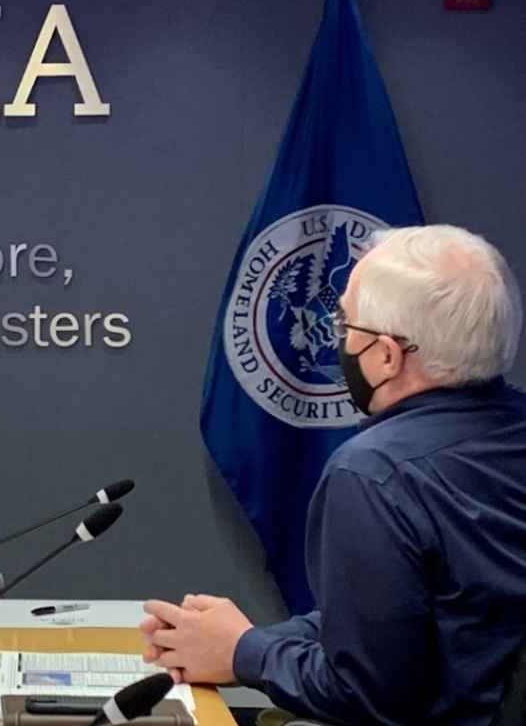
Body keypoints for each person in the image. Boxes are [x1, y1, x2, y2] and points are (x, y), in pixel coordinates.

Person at [141, 225, 526, 726]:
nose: (339, 337)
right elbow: (436, 616)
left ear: (386, 357)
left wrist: (245, 653)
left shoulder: (373, 473)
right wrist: (245, 639)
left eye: (347, 325)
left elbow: (370, 697)